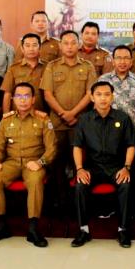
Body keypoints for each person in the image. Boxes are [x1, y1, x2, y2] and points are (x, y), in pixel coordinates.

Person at [0, 82, 55, 246]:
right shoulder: (6, 120)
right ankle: (1, 226)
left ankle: (33, 228)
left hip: (34, 161)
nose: (22, 100)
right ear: (13, 99)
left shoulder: (43, 119)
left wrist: (40, 162)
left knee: (35, 181)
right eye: (18, 96)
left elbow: (51, 148)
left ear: (33, 99)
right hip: (12, 162)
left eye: (26, 96)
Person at [71, 81, 135, 248]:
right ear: (92, 97)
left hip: (116, 167)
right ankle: (83, 230)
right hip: (92, 167)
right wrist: (79, 169)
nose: (103, 98)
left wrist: (126, 167)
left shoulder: (123, 118)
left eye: (107, 94)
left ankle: (123, 229)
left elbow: (131, 145)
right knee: (80, 185)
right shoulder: (84, 119)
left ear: (112, 97)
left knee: (126, 185)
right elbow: (77, 146)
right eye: (99, 94)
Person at [41, 30, 97, 208]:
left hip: (80, 124)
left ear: (79, 44)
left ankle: (78, 203)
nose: (70, 46)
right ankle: (59, 202)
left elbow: (90, 93)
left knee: (79, 163)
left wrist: (73, 113)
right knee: (56, 164)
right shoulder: (52, 66)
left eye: (73, 43)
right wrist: (63, 114)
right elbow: (47, 94)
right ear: (60, 45)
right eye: (66, 43)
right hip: (57, 124)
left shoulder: (88, 66)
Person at [96, 45, 135, 142]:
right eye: (118, 58)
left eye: (126, 58)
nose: (122, 62)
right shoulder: (103, 80)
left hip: (133, 132)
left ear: (131, 61)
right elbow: (97, 106)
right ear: (113, 61)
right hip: (107, 132)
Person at [2, 33, 47, 113]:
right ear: (22, 49)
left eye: (34, 45)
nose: (31, 49)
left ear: (40, 48)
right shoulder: (13, 68)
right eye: (27, 45)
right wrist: (6, 115)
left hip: (41, 114)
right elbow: (7, 94)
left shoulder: (48, 67)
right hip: (17, 115)